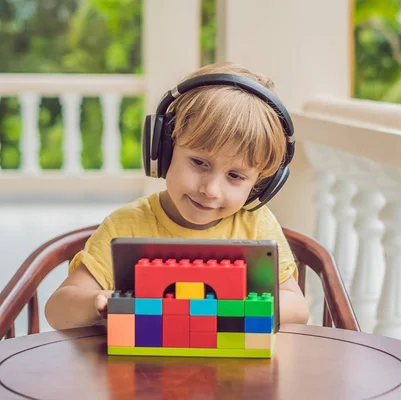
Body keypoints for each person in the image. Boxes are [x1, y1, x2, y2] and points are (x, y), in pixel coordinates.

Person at [45, 62, 309, 330]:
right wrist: (100, 301)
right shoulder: (127, 226)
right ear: (165, 150)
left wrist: (227, 308)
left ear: (260, 185)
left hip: (234, 370)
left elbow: (297, 307)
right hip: (144, 369)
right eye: (199, 163)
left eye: (235, 176)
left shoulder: (257, 227)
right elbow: (58, 311)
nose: (211, 190)